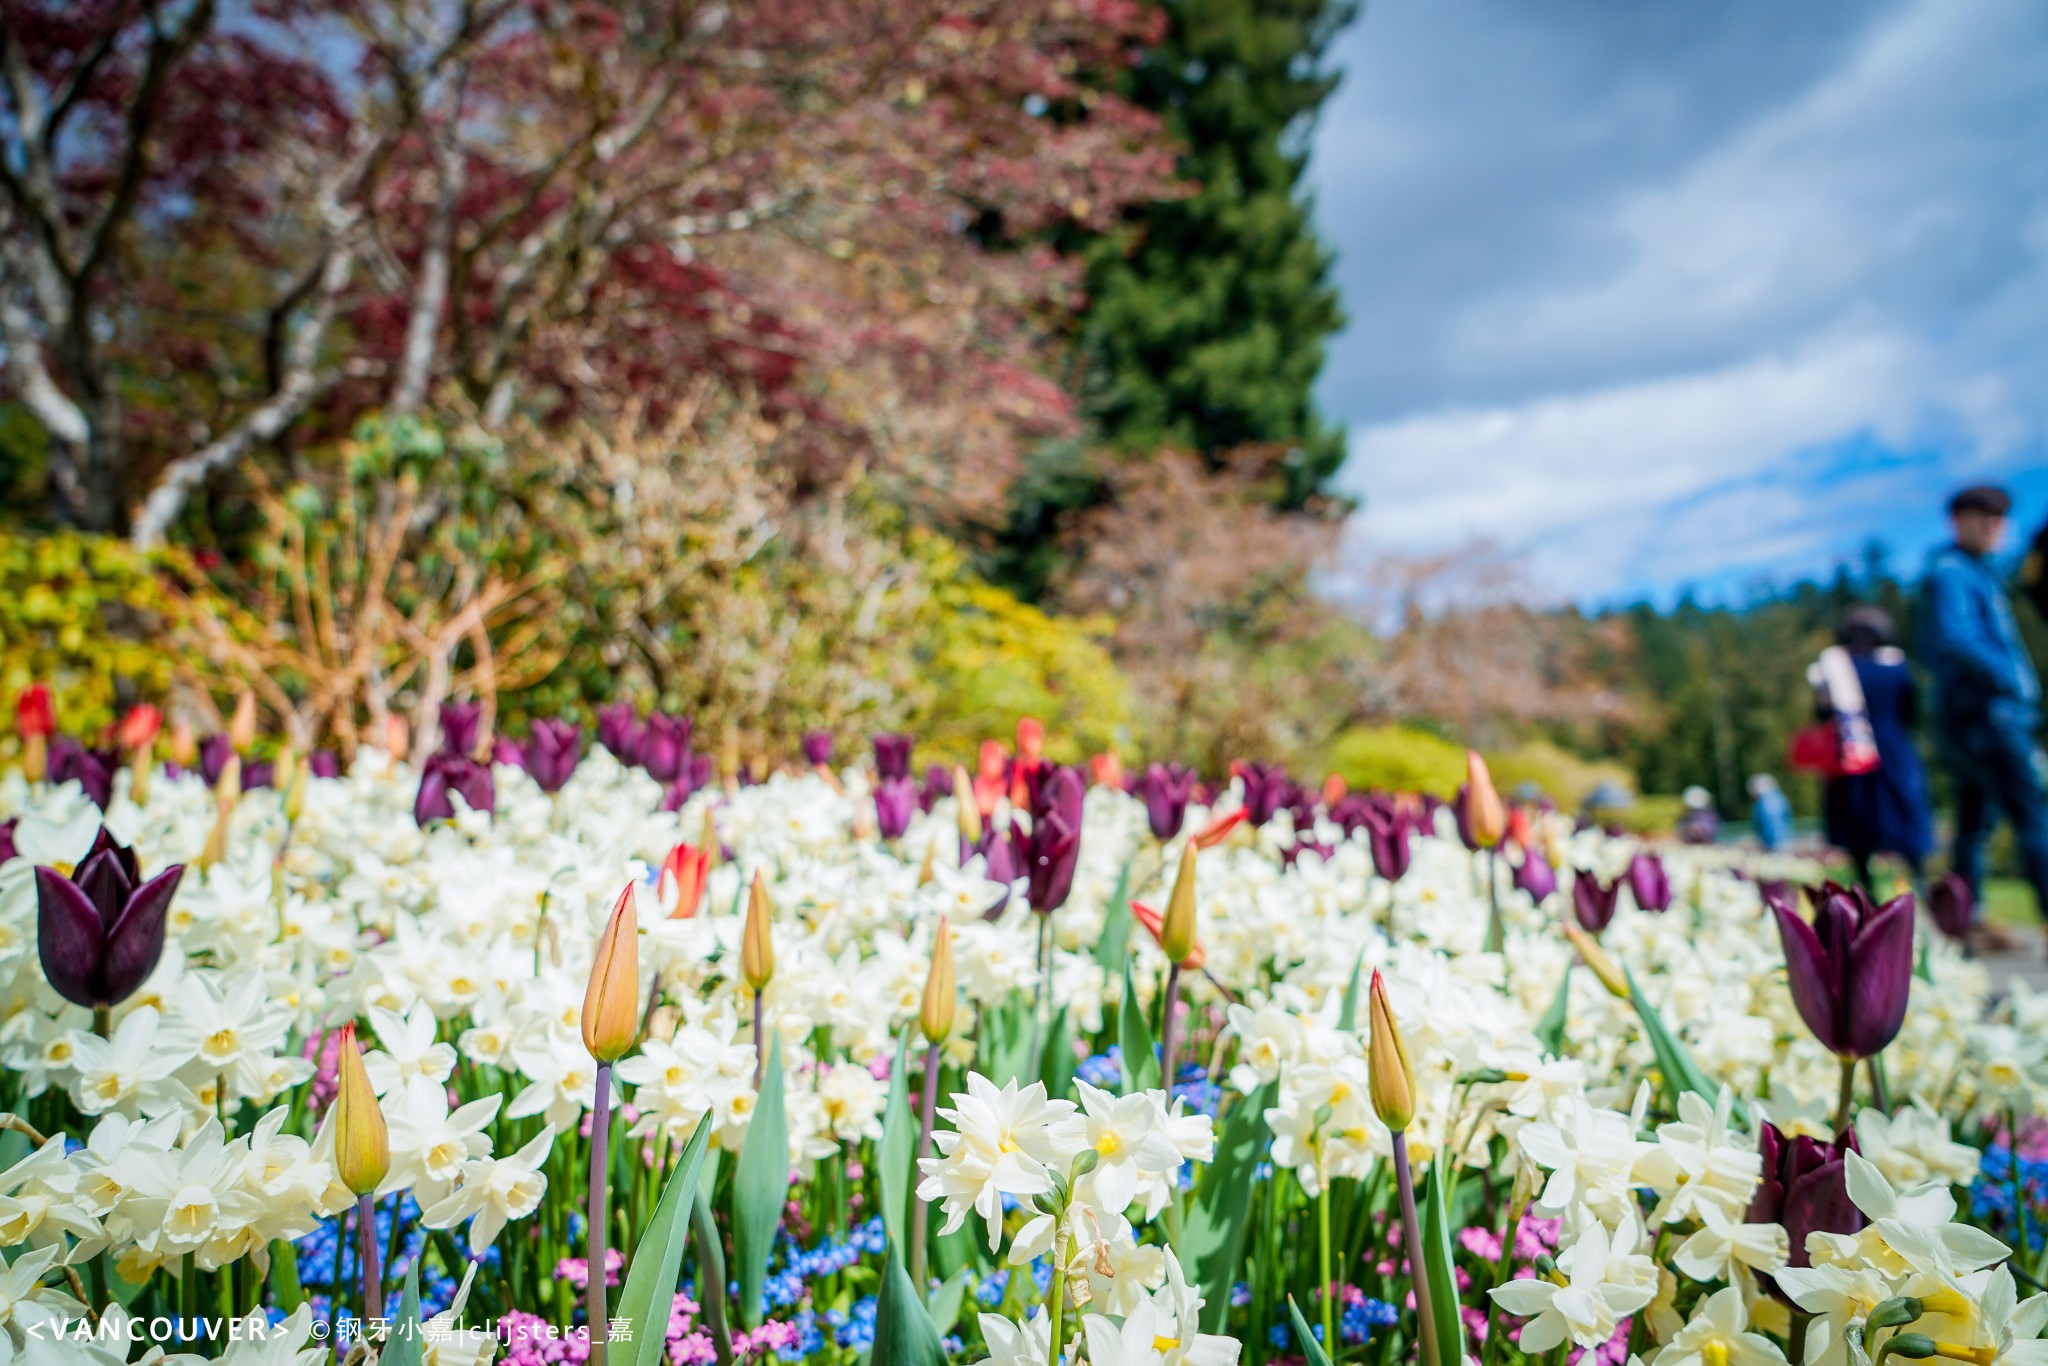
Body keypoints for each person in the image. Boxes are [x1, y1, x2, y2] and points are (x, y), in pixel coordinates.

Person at [1920, 484, 2048, 927]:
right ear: (1959, 521)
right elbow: (1958, 639)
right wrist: (2013, 682)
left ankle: (1964, 921)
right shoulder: (1953, 573)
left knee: (1974, 822)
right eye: (1987, 521)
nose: (1997, 530)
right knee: (2032, 816)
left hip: (1977, 714)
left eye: (2001, 522)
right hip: (1990, 713)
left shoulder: (1977, 572)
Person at [1811, 606, 1931, 890]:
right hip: (1893, 750)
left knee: (1857, 821)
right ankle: (1920, 882)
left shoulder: (1835, 667)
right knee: (1903, 812)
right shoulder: (1896, 666)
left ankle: (1868, 891)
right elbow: (1911, 711)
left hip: (1852, 753)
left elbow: (1821, 714)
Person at [1748, 773, 1793, 852]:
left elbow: (1770, 825)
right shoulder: (1779, 797)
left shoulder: (1765, 802)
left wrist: (1767, 844)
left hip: (1774, 843)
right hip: (1785, 839)